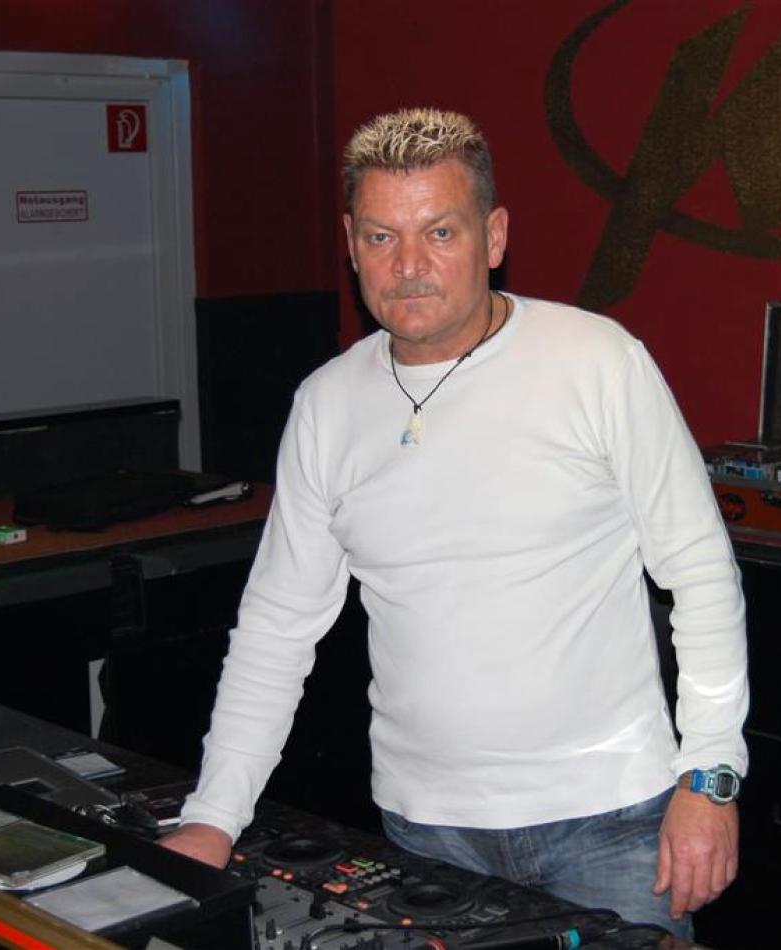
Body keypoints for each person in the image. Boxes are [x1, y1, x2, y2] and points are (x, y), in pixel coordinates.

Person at [161, 108, 750, 938]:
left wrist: (711, 776)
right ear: (350, 244)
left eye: (440, 231)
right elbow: (275, 629)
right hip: (425, 833)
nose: (409, 266)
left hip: (613, 821)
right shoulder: (327, 406)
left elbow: (702, 574)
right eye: (381, 237)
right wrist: (213, 815)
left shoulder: (597, 361)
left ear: (494, 236)